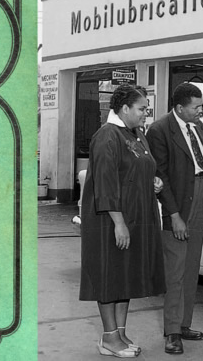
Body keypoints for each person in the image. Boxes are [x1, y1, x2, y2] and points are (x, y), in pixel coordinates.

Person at [79, 84, 165, 358]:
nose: (145, 114)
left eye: (146, 110)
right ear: (124, 108)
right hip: (110, 220)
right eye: (141, 109)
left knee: (124, 276)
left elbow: (137, 168)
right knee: (109, 276)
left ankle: (120, 333)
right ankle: (108, 338)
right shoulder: (107, 137)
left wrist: (152, 182)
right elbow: (104, 183)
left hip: (135, 216)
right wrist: (119, 222)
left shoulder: (137, 134)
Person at [145, 83, 203, 355]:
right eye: (196, 107)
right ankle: (171, 333)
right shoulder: (159, 130)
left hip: (199, 200)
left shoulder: (198, 127)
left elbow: (202, 167)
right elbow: (162, 176)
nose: (200, 111)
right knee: (175, 273)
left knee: (191, 270)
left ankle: (184, 324)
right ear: (180, 107)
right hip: (177, 204)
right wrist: (174, 215)